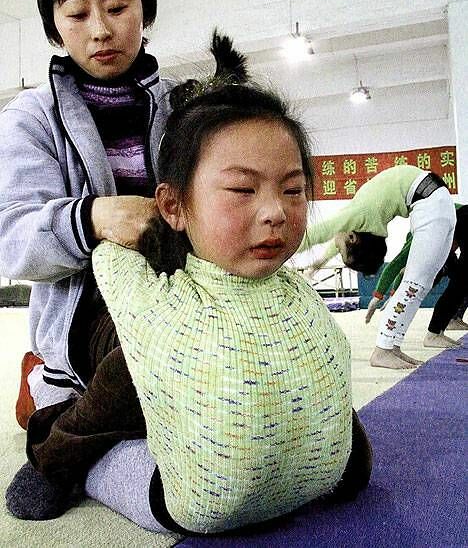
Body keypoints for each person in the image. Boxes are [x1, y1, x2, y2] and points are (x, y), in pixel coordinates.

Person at [6, 33, 372, 535]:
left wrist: (340, 446)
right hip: (100, 311)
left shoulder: (295, 295)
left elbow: (320, 370)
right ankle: (52, 422)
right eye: (243, 190)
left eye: (292, 190)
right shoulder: (35, 115)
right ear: (174, 205)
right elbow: (13, 232)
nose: (275, 213)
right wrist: (54, 462)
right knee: (148, 435)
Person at [0, 0, 174, 428]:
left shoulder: (187, 107)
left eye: (117, 8)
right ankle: (54, 432)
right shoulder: (31, 118)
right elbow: (9, 239)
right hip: (88, 315)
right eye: (77, 15)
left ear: (146, 11)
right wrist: (93, 217)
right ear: (55, 29)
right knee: (154, 374)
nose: (100, 30)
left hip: (185, 292)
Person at [301, 165, 456, 369]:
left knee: (418, 286)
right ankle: (383, 349)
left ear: (352, 236)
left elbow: (318, 233)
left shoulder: (357, 213)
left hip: (435, 203)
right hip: (431, 203)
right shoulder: (357, 221)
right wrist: (320, 263)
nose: (335, 246)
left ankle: (391, 347)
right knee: (414, 286)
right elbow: (338, 238)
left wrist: (280, 246)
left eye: (338, 249)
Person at [365, 204, 468, 347]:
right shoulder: (423, 237)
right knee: (443, 280)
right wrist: (379, 296)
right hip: (450, 225)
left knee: (460, 281)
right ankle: (432, 334)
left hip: (456, 221)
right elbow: (396, 266)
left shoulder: (446, 225)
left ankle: (447, 323)